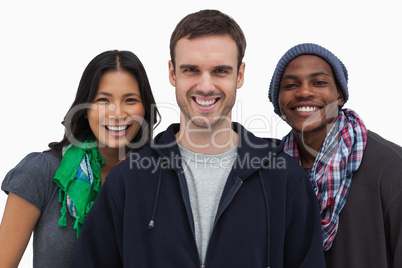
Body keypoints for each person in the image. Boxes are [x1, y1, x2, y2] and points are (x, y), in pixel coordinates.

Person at [70, 10, 325, 267]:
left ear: (240, 75)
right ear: (172, 73)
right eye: (191, 70)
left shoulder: (283, 178)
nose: (205, 86)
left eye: (220, 71)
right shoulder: (128, 180)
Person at [0, 50, 160, 268]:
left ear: (145, 110)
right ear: (85, 109)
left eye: (130, 100)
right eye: (103, 100)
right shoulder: (42, 171)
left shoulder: (159, 177)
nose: (117, 113)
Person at [268, 42, 402, 267]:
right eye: (290, 85)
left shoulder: (390, 166)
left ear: (339, 95)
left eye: (319, 82)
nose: (304, 92)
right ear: (278, 102)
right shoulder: (269, 172)